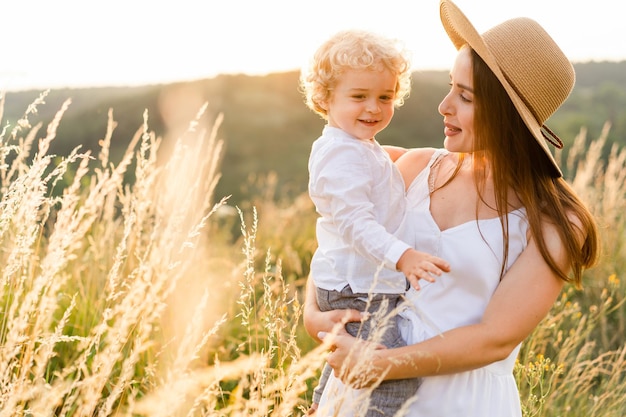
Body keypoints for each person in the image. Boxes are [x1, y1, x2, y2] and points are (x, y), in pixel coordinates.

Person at [303, 1, 600, 416]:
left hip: (462, 401)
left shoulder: (554, 223)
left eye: (464, 96)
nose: (444, 106)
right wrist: (314, 313)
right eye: (449, 87)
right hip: (360, 384)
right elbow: (339, 237)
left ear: (508, 115)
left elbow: (496, 337)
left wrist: (384, 365)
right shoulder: (407, 168)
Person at [300, 29, 451, 417]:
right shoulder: (340, 155)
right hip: (359, 290)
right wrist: (404, 257)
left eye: (385, 97)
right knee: (387, 378)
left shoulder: (358, 146)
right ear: (324, 98)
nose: (374, 108)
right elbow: (355, 224)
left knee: (353, 361)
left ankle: (321, 406)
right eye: (359, 96)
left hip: (363, 284)